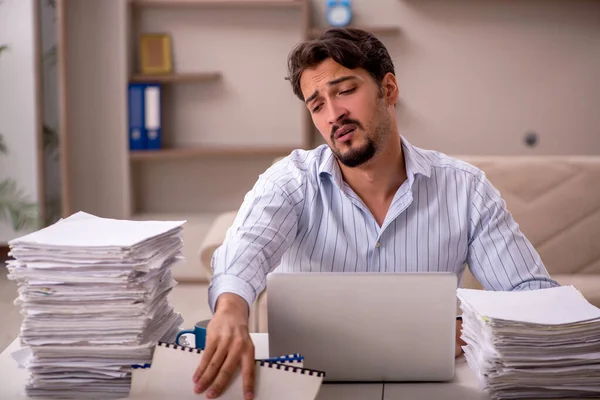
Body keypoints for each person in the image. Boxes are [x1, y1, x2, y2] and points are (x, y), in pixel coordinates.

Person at [191, 28, 559, 399]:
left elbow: (531, 295)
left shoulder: (465, 188)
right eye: (317, 104)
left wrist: (470, 329)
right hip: (314, 390)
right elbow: (245, 249)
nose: (334, 115)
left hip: (433, 390)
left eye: (345, 90)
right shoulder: (291, 181)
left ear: (389, 89)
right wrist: (230, 309)